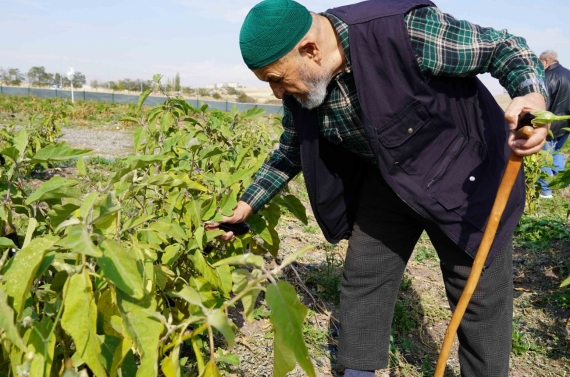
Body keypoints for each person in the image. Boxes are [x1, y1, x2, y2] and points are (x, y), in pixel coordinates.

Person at [207, 0, 548, 376]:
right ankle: (358, 372)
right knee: (364, 278)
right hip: (391, 178)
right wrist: (247, 205)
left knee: (478, 296)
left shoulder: (404, 33)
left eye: (276, 78)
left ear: (310, 50)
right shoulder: (303, 89)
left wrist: (531, 93)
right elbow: (289, 152)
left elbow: (503, 47)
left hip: (465, 177)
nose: (276, 92)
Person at [537, 50, 570, 198]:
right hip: (567, 124)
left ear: (545, 62)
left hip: (550, 124)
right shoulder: (568, 73)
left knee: (544, 156)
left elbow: (543, 103)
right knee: (556, 152)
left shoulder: (546, 77)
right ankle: (563, 186)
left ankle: (546, 190)